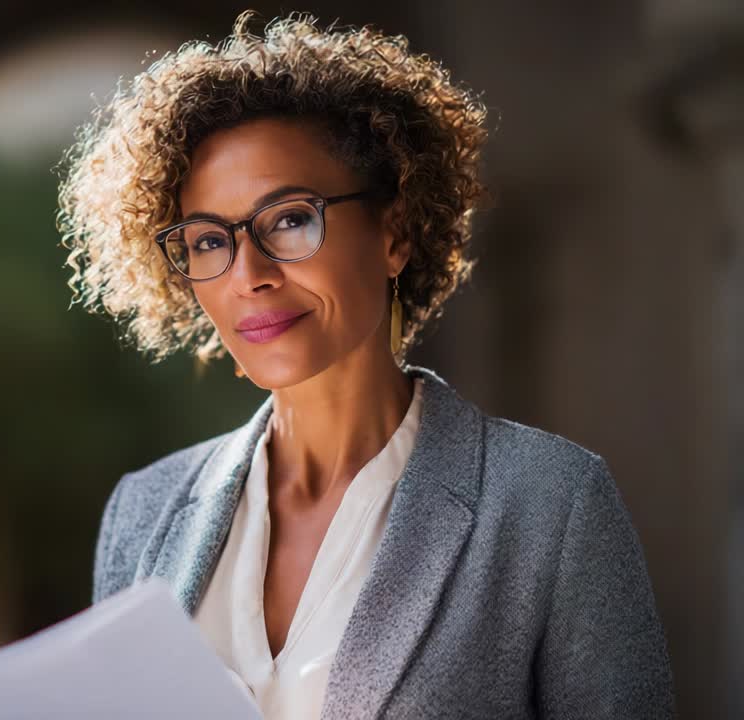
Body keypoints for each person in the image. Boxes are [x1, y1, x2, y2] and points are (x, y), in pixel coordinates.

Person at [54, 11, 676, 720]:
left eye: (289, 219)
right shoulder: (144, 511)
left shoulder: (550, 506)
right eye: (206, 241)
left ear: (396, 234)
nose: (246, 274)